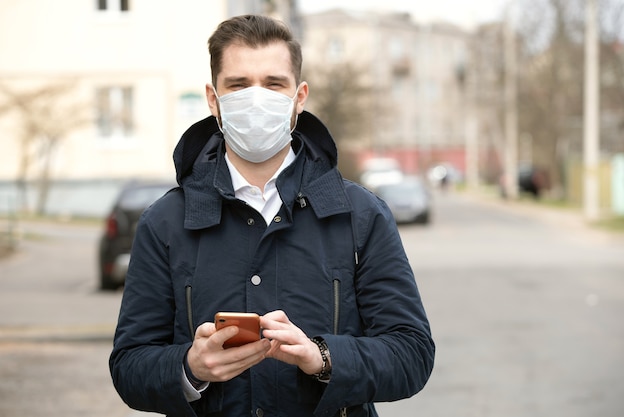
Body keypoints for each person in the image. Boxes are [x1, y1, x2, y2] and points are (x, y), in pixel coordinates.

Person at [110, 14, 435, 417]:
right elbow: (128, 366)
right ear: (214, 99)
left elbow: (412, 354)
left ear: (299, 97)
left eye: (273, 83)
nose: (257, 98)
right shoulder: (165, 222)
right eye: (239, 85)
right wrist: (189, 369)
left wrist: (325, 358)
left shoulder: (361, 216)